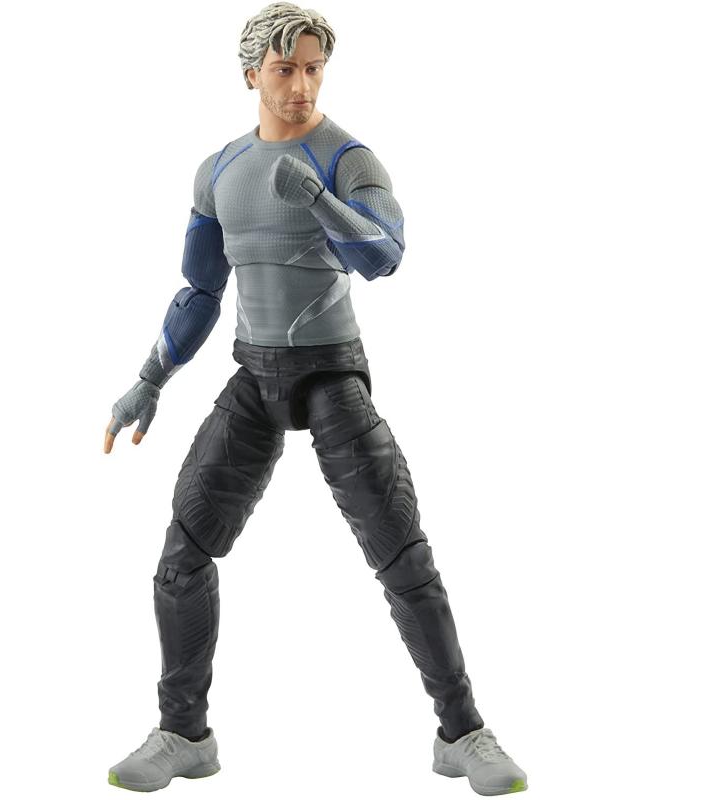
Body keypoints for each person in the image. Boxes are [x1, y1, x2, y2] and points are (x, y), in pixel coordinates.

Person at [105, 3, 527, 795]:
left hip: (332, 374)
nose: (301, 86)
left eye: (313, 69)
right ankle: (184, 734)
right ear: (251, 75)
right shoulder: (219, 170)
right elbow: (200, 290)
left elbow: (385, 256)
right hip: (254, 376)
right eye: (285, 69)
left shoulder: (348, 158)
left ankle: (463, 732)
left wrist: (320, 200)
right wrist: (150, 377)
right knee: (181, 557)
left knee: (402, 557)